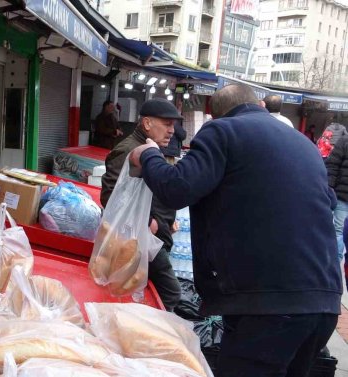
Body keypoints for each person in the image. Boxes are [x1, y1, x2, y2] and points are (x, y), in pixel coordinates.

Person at [129, 84, 342, 376]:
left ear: (216, 116)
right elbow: (327, 202)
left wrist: (148, 155)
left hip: (269, 305)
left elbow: (178, 188)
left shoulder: (223, 132)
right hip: (322, 302)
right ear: (261, 107)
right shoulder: (303, 143)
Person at [101, 98, 184, 311]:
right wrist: (148, 222)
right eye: (167, 124)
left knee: (148, 291)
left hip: (150, 238)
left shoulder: (149, 148)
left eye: (173, 125)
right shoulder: (130, 150)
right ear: (147, 124)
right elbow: (110, 195)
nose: (172, 131)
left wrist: (167, 220)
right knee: (171, 293)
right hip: (140, 240)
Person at [325, 133, 348, 260]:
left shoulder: (344, 141)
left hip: (342, 195)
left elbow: (332, 167)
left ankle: (335, 263)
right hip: (342, 196)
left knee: (338, 231)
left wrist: (329, 188)